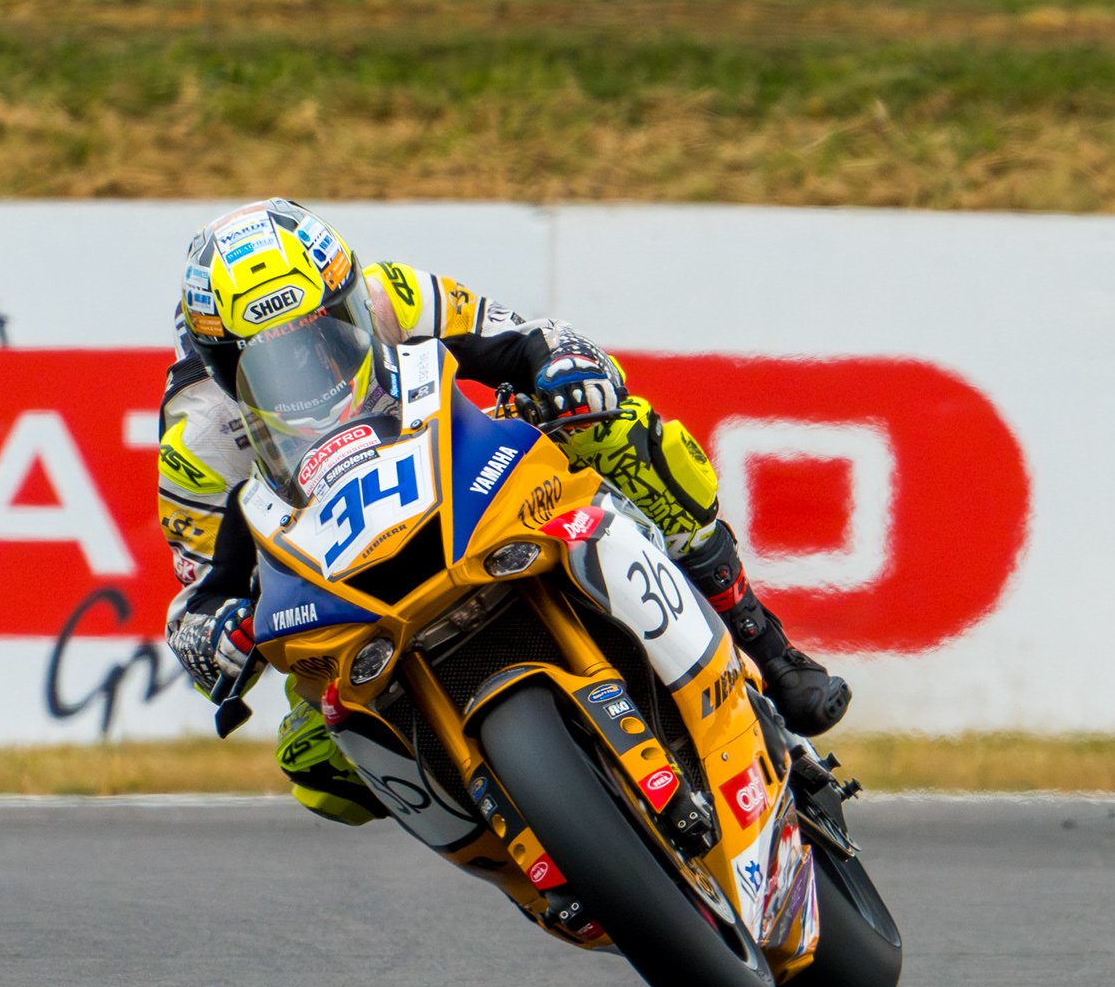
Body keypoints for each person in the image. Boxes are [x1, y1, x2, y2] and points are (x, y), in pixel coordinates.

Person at [150, 200, 851, 828]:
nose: (311, 368)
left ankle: (765, 648)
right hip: (350, 592)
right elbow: (201, 598)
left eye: (324, 332)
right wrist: (214, 634)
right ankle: (527, 839)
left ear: (350, 298)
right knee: (314, 762)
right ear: (218, 365)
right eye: (270, 360)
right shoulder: (197, 443)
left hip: (474, 496)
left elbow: (526, 340)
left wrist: (567, 367)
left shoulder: (395, 297)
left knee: (619, 432)